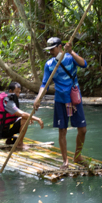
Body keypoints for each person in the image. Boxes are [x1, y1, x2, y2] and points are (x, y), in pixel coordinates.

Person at [33, 37, 88, 168]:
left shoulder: (70, 58)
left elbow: (84, 64)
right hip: (60, 99)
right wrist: (38, 98)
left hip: (74, 98)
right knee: (62, 130)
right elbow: (45, 84)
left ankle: (77, 156)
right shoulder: (49, 64)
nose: (51, 51)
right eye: (49, 49)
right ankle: (65, 161)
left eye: (52, 48)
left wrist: (72, 51)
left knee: (83, 130)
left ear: (60, 47)